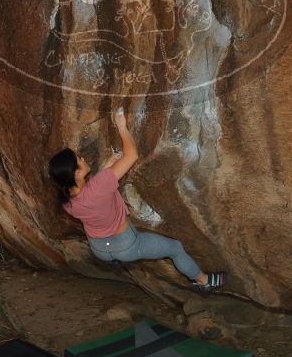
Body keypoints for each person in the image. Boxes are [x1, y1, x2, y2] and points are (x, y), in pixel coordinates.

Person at [48, 108, 226, 291]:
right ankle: (204, 281)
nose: (82, 158)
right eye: (79, 158)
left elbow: (91, 195)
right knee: (175, 248)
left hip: (100, 249)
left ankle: (117, 259)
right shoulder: (99, 185)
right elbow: (132, 155)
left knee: (115, 247)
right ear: (77, 173)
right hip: (126, 244)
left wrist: (106, 171)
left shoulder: (67, 201)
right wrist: (122, 127)